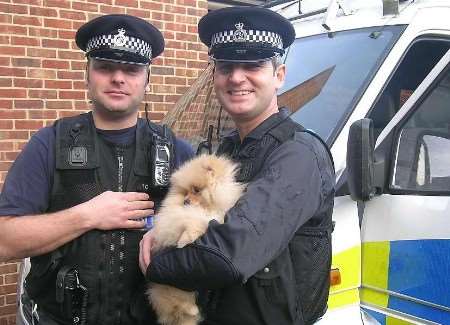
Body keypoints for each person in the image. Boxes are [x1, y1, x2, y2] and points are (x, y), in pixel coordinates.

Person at [139, 7, 335, 325]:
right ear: (215, 75)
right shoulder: (230, 150)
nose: (236, 77)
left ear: (279, 75)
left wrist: (155, 262)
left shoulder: (297, 154)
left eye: (253, 65)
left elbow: (227, 255)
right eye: (226, 66)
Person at [0, 14, 194, 325]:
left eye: (131, 69)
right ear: (87, 74)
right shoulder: (50, 144)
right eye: (105, 67)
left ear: (147, 78)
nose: (118, 78)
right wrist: (88, 215)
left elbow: (212, 236)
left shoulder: (176, 153)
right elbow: (5, 240)